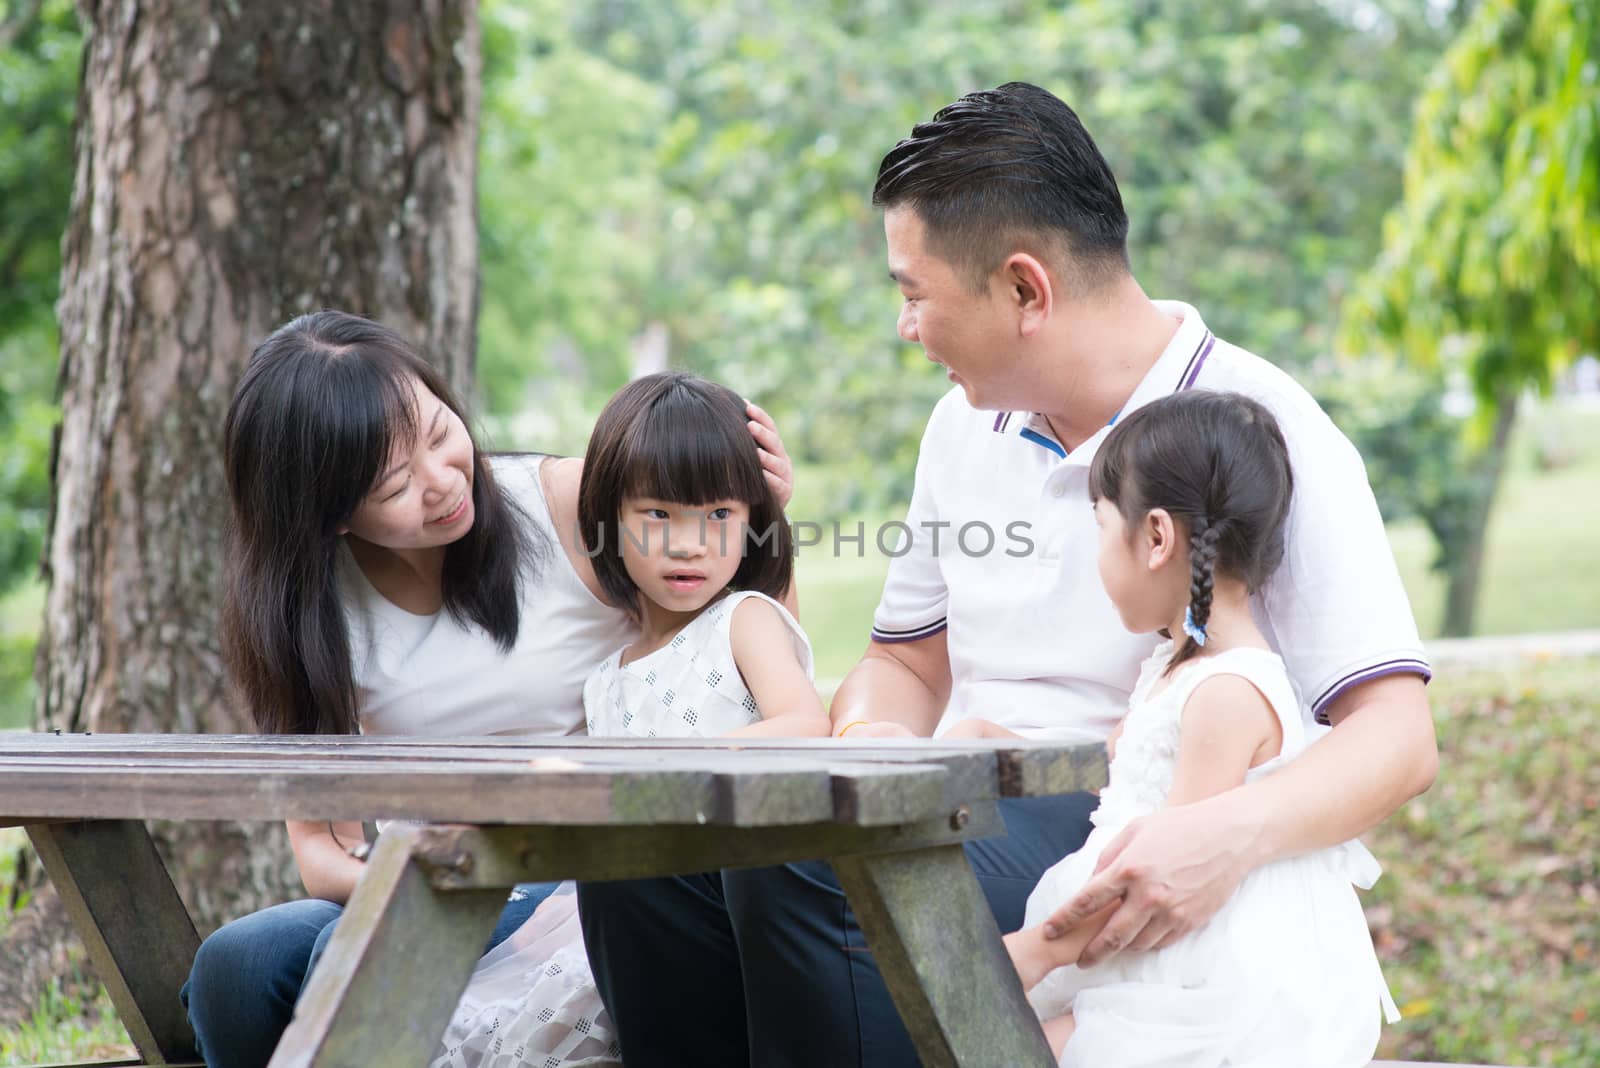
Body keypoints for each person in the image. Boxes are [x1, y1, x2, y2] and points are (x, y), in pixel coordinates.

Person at [577, 82, 1436, 1066]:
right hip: (959, 791)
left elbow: (1397, 738)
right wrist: (875, 753)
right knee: (642, 854)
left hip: (1115, 807)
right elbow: (902, 665)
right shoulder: (962, 424)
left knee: (801, 868)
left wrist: (1224, 834)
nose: (905, 327)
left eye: (913, 293)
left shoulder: (1258, 424)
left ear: (1025, 289)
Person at [179, 313, 795, 1068]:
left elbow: (741, 633)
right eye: (395, 483)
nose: (442, 483)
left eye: (441, 434)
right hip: (433, 875)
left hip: (586, 876)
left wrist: (761, 510)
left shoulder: (569, 504)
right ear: (330, 514)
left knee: (345, 970)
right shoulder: (305, 611)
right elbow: (325, 848)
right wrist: (432, 878)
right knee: (235, 969)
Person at [431, 371, 828, 1067]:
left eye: (718, 518)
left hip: (726, 905)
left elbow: (803, 724)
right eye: (658, 517)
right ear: (608, 524)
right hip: (612, 921)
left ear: (751, 522)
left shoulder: (745, 621)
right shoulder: (605, 681)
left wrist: (658, 766)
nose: (688, 545)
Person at [1001, 390, 1399, 1065]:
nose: (1098, 554)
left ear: (1156, 537)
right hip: (1150, 956)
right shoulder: (1180, 664)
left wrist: (1037, 952)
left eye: (1100, 527)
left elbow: (1163, 870)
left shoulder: (1226, 692)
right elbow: (1132, 774)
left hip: (1201, 983)